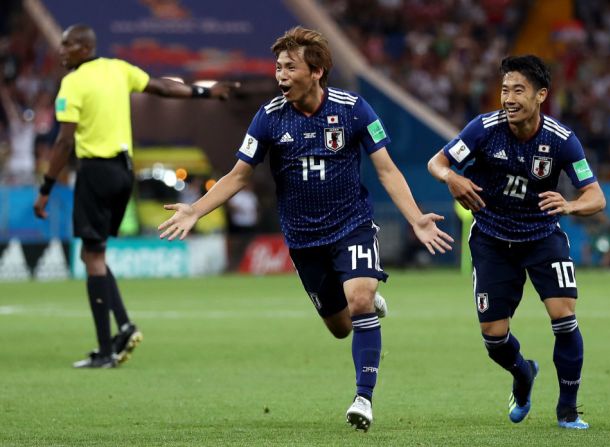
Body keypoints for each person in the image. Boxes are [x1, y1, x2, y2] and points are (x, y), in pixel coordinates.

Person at [158, 26, 454, 431]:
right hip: (303, 239)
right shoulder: (268, 118)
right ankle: (363, 303)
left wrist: (416, 217)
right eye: (277, 66)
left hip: (352, 225)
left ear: (315, 71)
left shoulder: (354, 109)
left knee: (361, 299)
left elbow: (386, 170)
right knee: (340, 327)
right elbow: (238, 176)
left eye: (289, 67)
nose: (280, 75)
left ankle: (363, 398)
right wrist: (195, 210)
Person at [33, 24, 239, 369]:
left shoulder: (72, 83)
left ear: (85, 47)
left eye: (68, 44)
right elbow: (161, 88)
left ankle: (105, 351)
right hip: (123, 173)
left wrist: (45, 189)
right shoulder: (119, 68)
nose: (62, 50)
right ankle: (123, 328)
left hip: (95, 171)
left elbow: (64, 141)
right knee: (93, 254)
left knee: (93, 256)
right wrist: (206, 93)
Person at [428, 55, 606, 430]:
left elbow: (596, 196)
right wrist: (451, 179)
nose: (508, 98)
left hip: (543, 237)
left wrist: (571, 205)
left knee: (564, 317)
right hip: (492, 240)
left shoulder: (560, 141)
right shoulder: (483, 129)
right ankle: (523, 374)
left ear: (541, 95)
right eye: (504, 89)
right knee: (493, 337)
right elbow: (437, 162)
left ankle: (568, 411)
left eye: (518, 90)